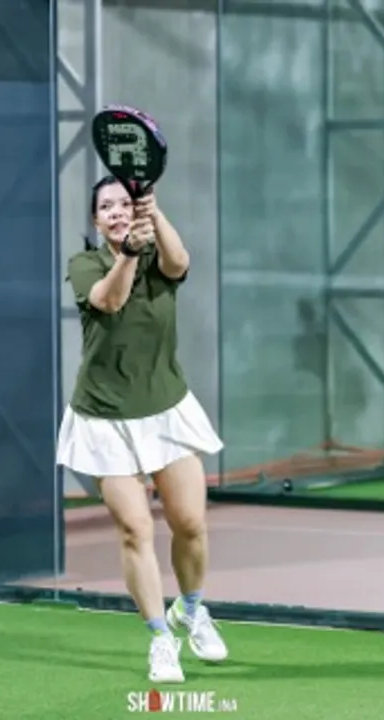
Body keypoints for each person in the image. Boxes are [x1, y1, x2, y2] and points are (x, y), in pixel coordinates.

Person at [57, 175, 228, 684]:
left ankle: (191, 609)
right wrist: (129, 252)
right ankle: (160, 638)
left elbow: (180, 262)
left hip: (166, 409)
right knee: (136, 529)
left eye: (124, 204)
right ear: (96, 219)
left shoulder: (159, 254)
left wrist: (153, 215)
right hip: (104, 419)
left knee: (190, 524)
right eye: (106, 207)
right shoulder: (85, 264)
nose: (116, 212)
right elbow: (109, 301)